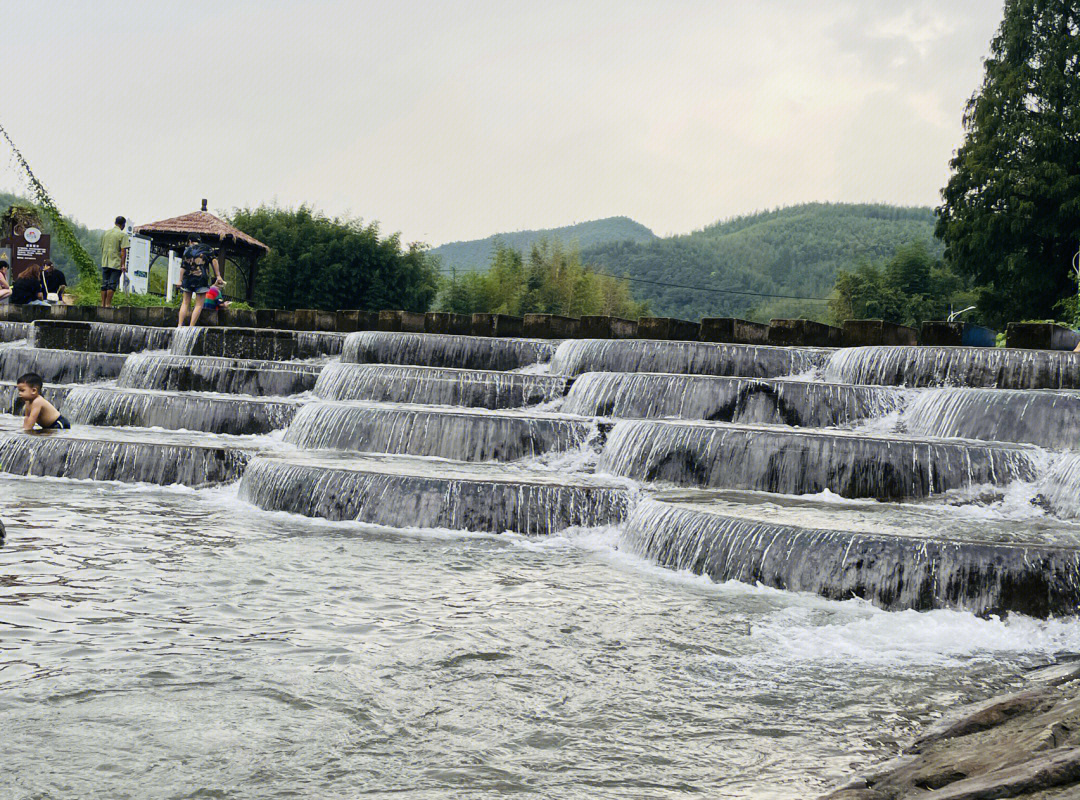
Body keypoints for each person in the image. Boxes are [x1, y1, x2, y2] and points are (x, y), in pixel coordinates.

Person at [178, 235, 223, 327]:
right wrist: (218, 276)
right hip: (202, 279)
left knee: (185, 302)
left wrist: (180, 280)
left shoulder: (187, 250)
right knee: (198, 305)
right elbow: (214, 261)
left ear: (190, 241)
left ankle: (179, 325)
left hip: (188, 279)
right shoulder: (207, 248)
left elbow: (183, 267)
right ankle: (191, 326)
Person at [100, 215, 130, 308]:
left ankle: (103, 304)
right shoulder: (123, 235)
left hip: (105, 262)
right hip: (116, 263)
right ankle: (108, 304)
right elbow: (123, 251)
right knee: (112, 284)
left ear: (115, 222)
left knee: (104, 283)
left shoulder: (106, 233)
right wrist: (123, 265)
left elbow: (102, 247)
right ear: (123, 225)